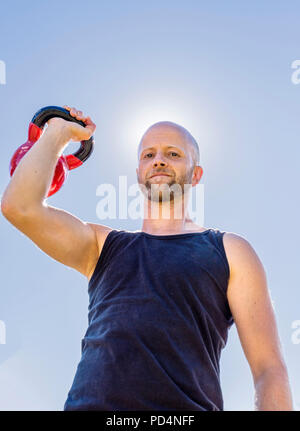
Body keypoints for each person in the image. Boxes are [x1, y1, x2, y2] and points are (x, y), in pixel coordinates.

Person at [1, 106, 293, 411]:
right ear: (139, 173)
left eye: (173, 154)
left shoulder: (230, 250)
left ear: (196, 174)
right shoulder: (102, 246)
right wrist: (58, 132)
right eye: (148, 155)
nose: (159, 160)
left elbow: (268, 369)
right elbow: (19, 208)